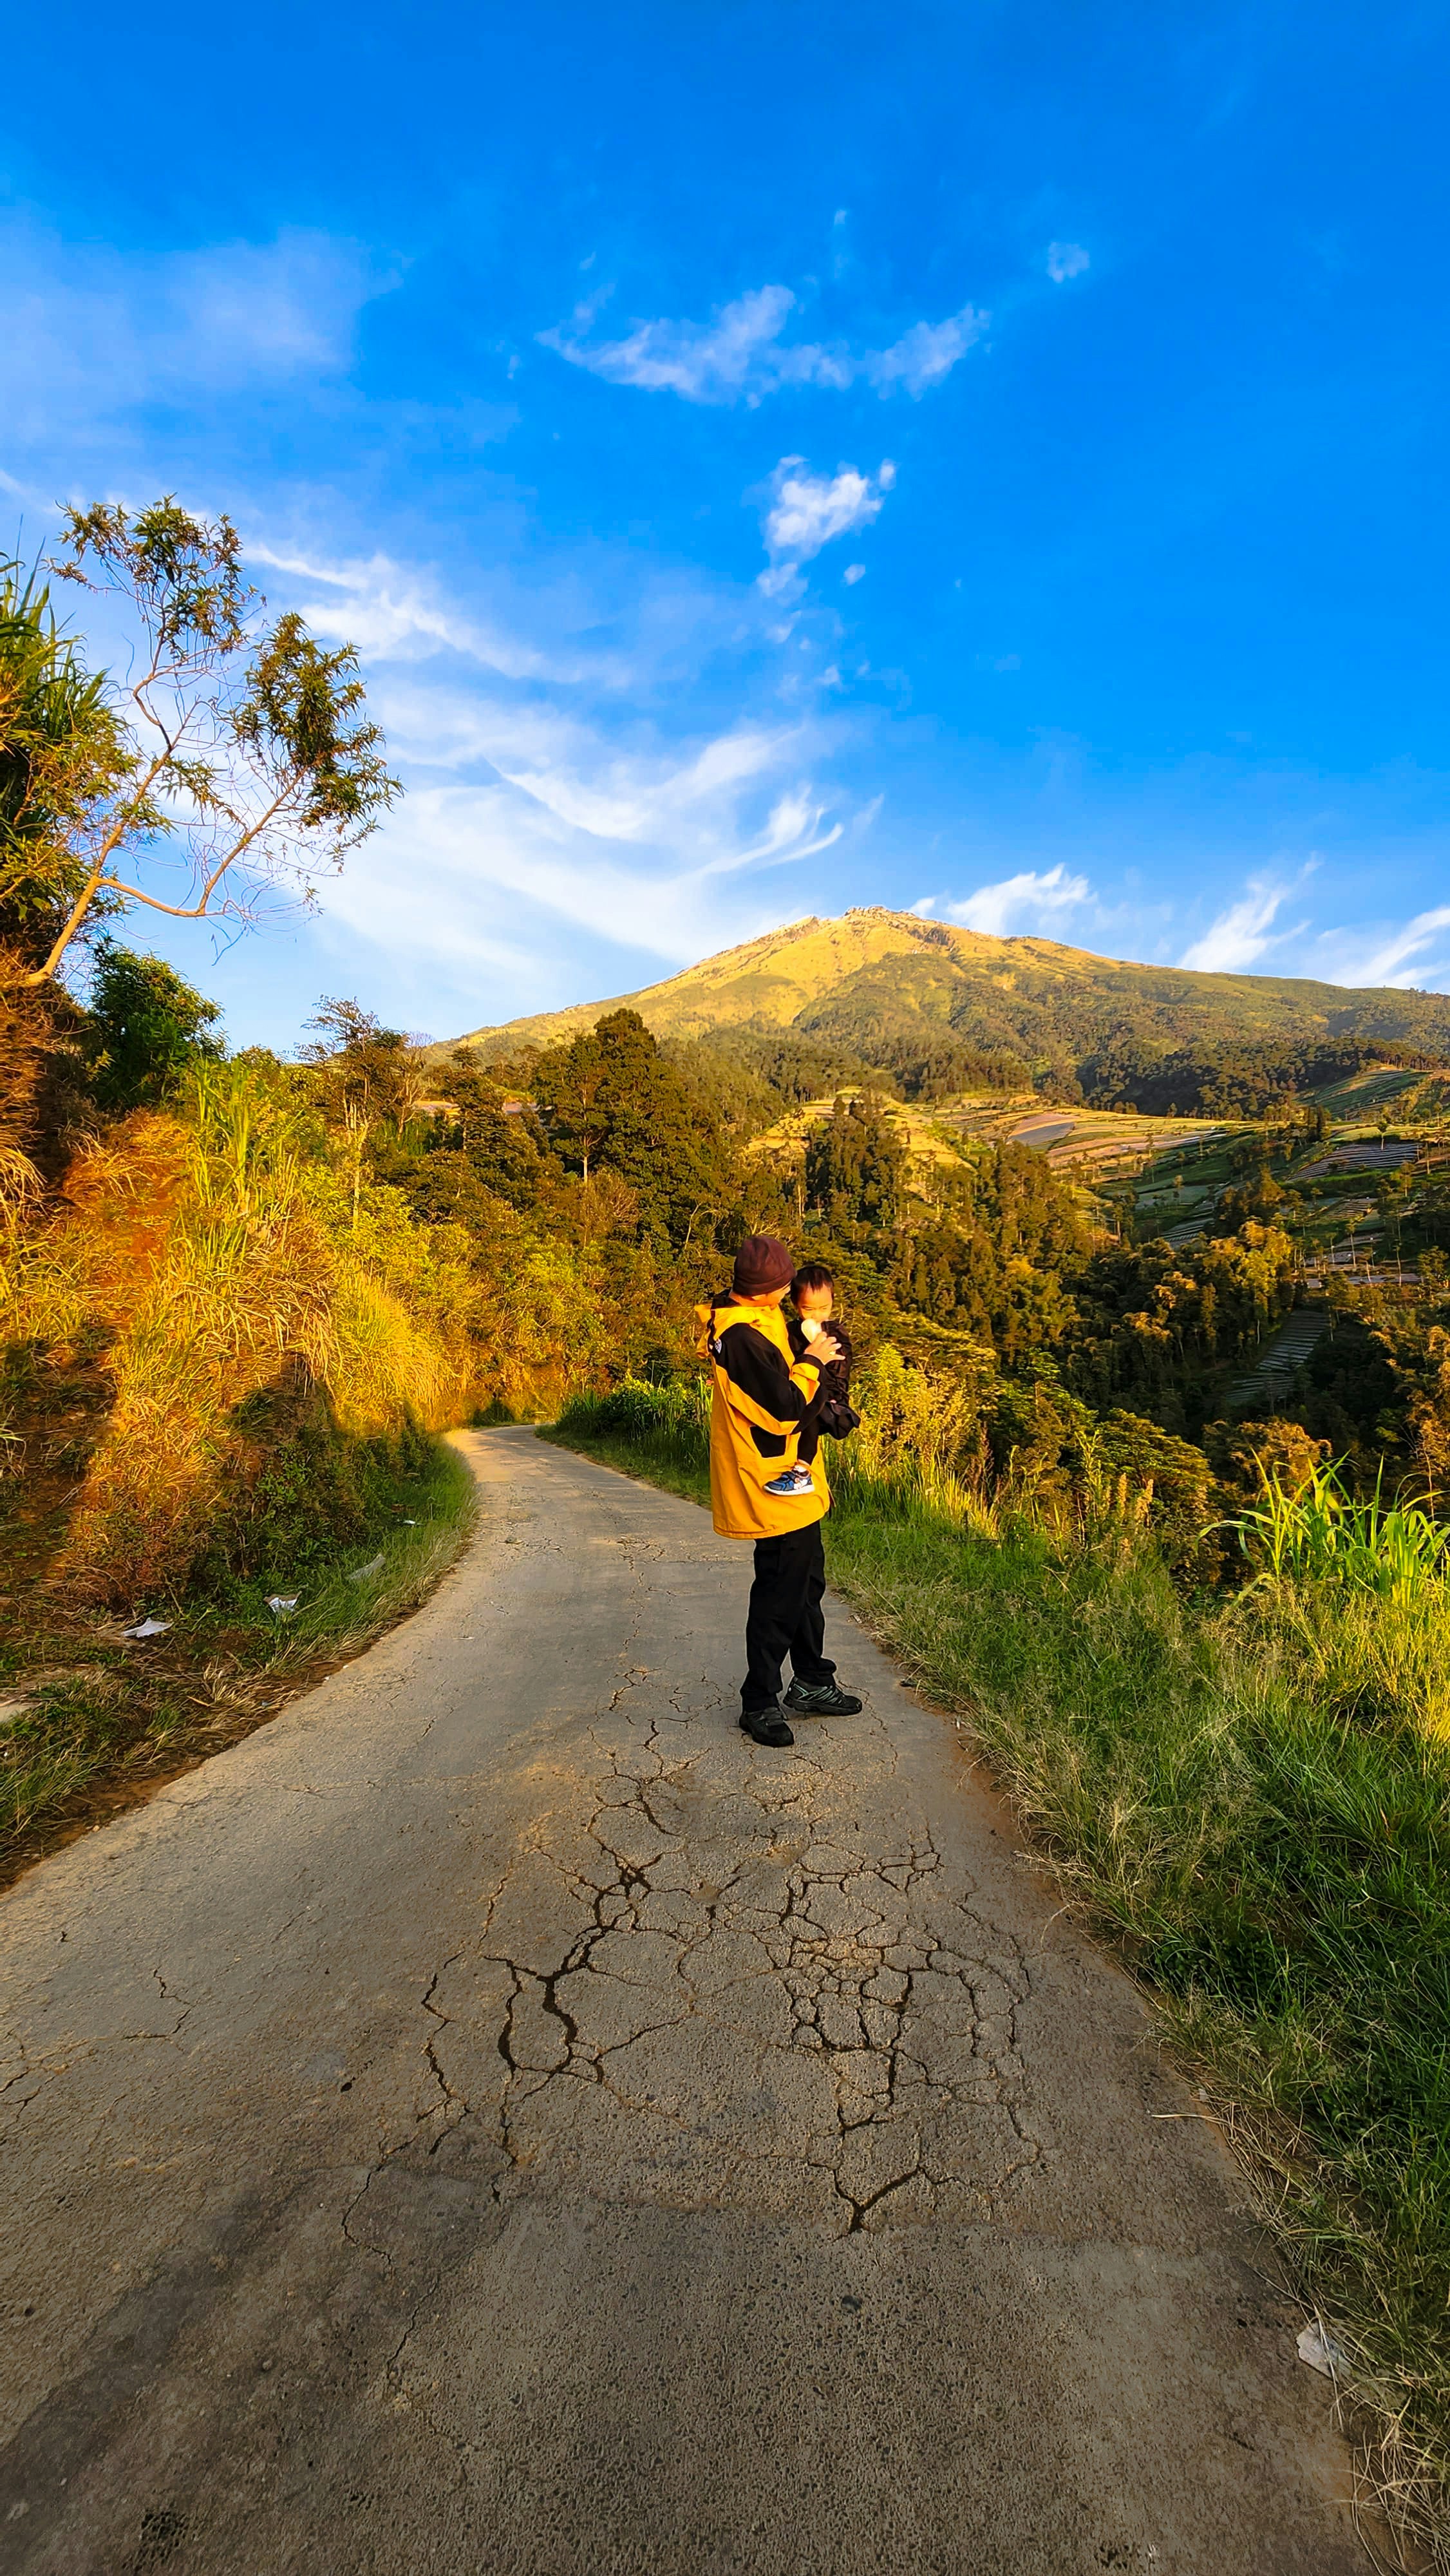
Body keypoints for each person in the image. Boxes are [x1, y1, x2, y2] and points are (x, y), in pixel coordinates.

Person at [695, 1234, 865, 1748]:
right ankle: (759, 1700)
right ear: (773, 1290)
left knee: (806, 1583)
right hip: (769, 1484)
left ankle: (812, 1680)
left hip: (795, 1476)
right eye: (788, 1284)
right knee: (778, 1592)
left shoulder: (756, 1315)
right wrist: (813, 1358)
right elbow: (786, 1407)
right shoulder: (741, 1337)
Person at [786, 1262, 862, 1455]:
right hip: (800, 1390)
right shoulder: (790, 1332)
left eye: (824, 1308)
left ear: (833, 1302)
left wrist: (837, 1396)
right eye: (809, 1309)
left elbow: (842, 1367)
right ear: (795, 1304)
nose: (817, 1315)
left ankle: (802, 1469)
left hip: (830, 1393)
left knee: (814, 1411)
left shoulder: (835, 1332)